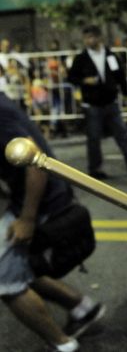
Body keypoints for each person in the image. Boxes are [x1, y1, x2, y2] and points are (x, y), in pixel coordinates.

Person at [0, 92, 105, 352]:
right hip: (29, 196)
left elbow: (34, 162)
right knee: (20, 268)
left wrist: (27, 218)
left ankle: (63, 344)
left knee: (5, 280)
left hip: (42, 200)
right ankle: (82, 308)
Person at [67, 25, 127, 179]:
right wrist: (85, 81)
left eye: (91, 37)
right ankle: (94, 169)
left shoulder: (110, 55)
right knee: (94, 138)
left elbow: (119, 75)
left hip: (110, 102)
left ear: (98, 38)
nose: (88, 41)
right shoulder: (81, 58)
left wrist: (125, 91)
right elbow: (71, 78)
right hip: (92, 104)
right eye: (86, 38)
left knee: (121, 134)